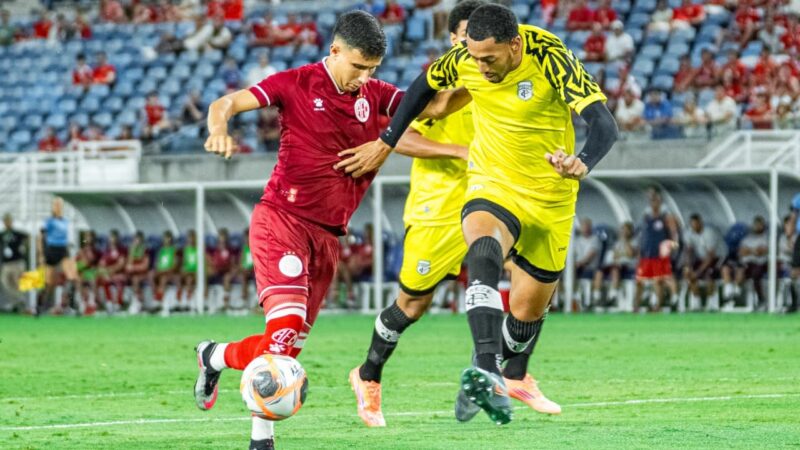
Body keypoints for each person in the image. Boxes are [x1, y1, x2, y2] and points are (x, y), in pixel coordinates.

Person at [193, 11, 460, 449]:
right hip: (282, 219)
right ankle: (262, 439)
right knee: (286, 326)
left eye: (371, 69)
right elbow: (224, 104)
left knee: (286, 345)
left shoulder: (373, 94)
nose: (363, 78)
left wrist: (483, 78)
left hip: (328, 238)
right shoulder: (295, 83)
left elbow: (436, 105)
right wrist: (219, 131)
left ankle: (214, 355)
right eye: (357, 67)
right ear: (334, 51)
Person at [340, 3, 617, 425]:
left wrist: (582, 161)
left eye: (488, 57)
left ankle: (508, 373)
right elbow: (419, 94)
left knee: (527, 314)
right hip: (479, 189)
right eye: (471, 53)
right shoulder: (463, 66)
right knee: (450, 276)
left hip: (551, 197)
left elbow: (604, 123)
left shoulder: (549, 57)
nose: (480, 66)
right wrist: (386, 141)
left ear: (514, 44)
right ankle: (470, 370)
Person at [634, 188, 679, 312]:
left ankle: (659, 305)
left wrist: (672, 247)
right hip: (646, 254)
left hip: (660, 255)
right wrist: (640, 251)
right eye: (651, 200)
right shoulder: (646, 216)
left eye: (655, 200)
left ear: (659, 201)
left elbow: (674, 233)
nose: (653, 203)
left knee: (659, 280)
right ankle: (635, 306)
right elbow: (642, 236)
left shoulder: (666, 216)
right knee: (639, 281)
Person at [39, 197, 79, 315]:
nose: (58, 207)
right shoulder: (48, 222)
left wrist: (71, 246)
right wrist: (41, 254)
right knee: (49, 284)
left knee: (73, 277)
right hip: (51, 252)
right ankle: (40, 307)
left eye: (60, 205)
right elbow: (41, 238)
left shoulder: (66, 222)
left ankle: (72, 306)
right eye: (56, 205)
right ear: (53, 207)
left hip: (63, 251)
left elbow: (69, 239)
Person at [682, 213, 724, 311]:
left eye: (696, 224)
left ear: (700, 223)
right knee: (690, 276)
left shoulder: (709, 233)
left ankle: (711, 303)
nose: (694, 226)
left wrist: (698, 272)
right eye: (692, 225)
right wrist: (688, 267)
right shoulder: (689, 233)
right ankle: (696, 303)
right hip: (701, 258)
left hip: (718, 258)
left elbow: (711, 256)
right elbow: (688, 251)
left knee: (709, 275)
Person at [1, 213, 28, 312]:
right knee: (5, 282)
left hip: (17, 262)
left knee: (17, 283)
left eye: (9, 220)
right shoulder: (2, 234)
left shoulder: (17, 233)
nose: (7, 222)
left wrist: (24, 248)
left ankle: (18, 304)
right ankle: (18, 300)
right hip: (6, 263)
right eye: (5, 221)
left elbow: (27, 237)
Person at [573, 217, 603, 308]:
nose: (585, 228)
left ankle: (595, 299)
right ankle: (570, 297)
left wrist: (580, 263)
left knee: (599, 272)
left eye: (587, 226)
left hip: (591, 267)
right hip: (577, 266)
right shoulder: (576, 240)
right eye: (583, 226)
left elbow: (591, 254)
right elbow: (572, 255)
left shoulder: (595, 239)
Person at [96, 229, 127, 314]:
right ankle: (105, 303)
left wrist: (109, 271)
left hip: (119, 273)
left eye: (114, 237)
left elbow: (121, 264)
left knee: (120, 280)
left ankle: (118, 305)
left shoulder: (122, 250)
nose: (112, 239)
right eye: (110, 237)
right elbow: (101, 264)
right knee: (100, 278)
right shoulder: (106, 251)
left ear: (117, 238)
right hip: (108, 274)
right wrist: (105, 272)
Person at [152, 231, 179, 312]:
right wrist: (158, 270)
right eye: (165, 238)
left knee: (163, 279)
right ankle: (156, 296)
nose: (166, 240)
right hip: (161, 271)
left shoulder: (174, 250)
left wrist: (166, 270)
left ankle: (158, 301)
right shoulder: (160, 250)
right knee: (151, 276)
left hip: (170, 272)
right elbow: (157, 263)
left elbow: (175, 264)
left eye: (168, 238)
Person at [124, 231, 150, 314]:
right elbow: (128, 264)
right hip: (133, 273)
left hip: (144, 273)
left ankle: (138, 302)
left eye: (138, 239)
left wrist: (134, 268)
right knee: (124, 278)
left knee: (135, 280)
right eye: (135, 239)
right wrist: (132, 251)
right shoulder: (131, 250)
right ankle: (122, 303)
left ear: (142, 240)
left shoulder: (145, 250)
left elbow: (145, 266)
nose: (136, 241)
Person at [75, 230, 99, 315]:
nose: (87, 239)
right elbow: (77, 264)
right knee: (79, 280)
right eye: (85, 237)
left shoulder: (95, 250)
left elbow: (91, 261)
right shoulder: (81, 250)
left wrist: (85, 261)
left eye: (88, 237)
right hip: (83, 273)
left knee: (92, 280)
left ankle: (92, 302)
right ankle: (81, 303)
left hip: (93, 272)